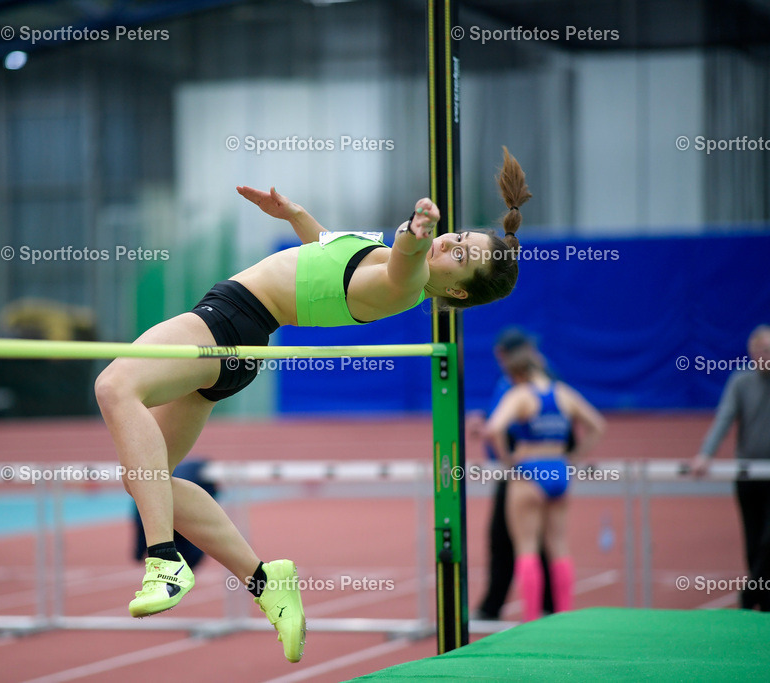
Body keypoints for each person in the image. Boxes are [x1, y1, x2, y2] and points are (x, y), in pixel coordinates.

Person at [94, 147, 531, 662]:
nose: (451, 244)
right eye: (459, 238)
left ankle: (164, 559)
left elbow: (407, 257)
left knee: (115, 385)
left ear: (456, 291)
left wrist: (417, 231)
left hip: (230, 322)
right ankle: (265, 581)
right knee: (147, 478)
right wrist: (295, 216)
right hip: (243, 337)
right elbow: (328, 263)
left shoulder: (408, 281)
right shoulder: (384, 266)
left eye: (461, 256)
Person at [486, 344, 605, 621]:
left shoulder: (520, 395)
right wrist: (574, 456)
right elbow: (598, 425)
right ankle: (564, 617)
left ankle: (531, 619)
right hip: (558, 469)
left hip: (528, 470)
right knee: (559, 547)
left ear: (517, 374)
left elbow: (494, 428)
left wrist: (507, 459)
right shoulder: (563, 393)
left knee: (526, 547)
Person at [470, 329, 556, 620]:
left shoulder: (522, 384)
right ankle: (546, 606)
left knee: (519, 540)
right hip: (535, 470)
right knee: (534, 540)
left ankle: (520, 608)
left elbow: (502, 427)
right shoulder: (536, 381)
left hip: (522, 472)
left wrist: (507, 456)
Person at [691, 325, 770, 611]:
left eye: (769, 350)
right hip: (747, 473)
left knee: (768, 541)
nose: (764, 356)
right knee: (752, 540)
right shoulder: (741, 382)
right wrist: (705, 454)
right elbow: (724, 418)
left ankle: (750, 595)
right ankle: (762, 597)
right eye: (760, 350)